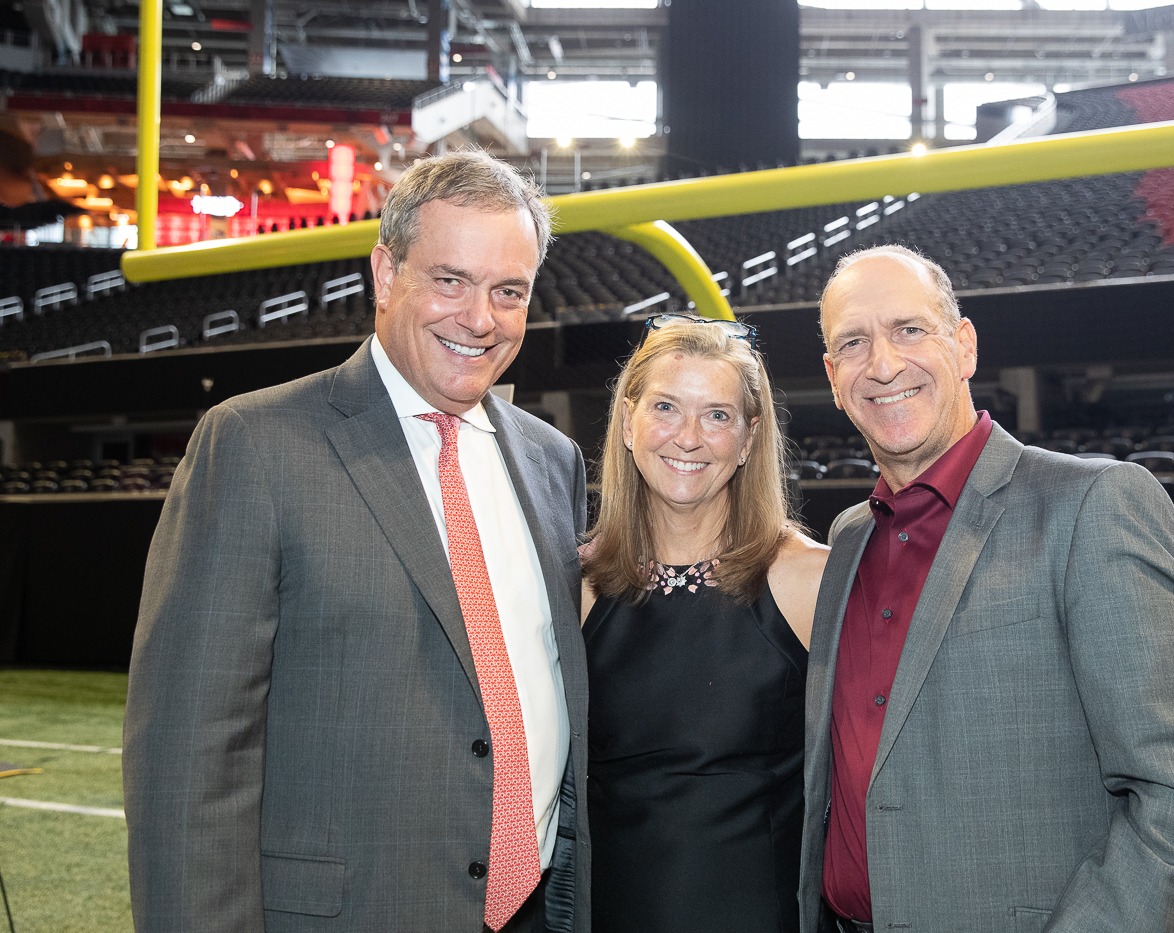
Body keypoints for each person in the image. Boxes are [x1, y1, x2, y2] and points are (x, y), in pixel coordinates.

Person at [124, 150, 591, 933]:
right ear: (384, 272)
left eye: (507, 291)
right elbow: (187, 756)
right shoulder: (254, 443)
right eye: (450, 279)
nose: (479, 317)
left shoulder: (552, 459)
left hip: (536, 911)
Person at [799, 245, 1174, 933]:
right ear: (832, 376)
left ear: (965, 345)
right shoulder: (850, 537)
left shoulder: (1092, 504)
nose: (882, 363)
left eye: (909, 329)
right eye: (853, 342)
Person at [580, 313, 829, 933]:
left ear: (748, 441)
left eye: (717, 415)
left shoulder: (809, 581)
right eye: (665, 407)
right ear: (629, 426)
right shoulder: (575, 587)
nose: (688, 437)